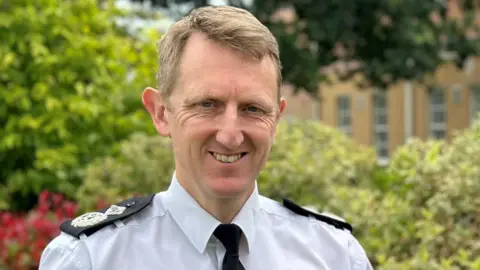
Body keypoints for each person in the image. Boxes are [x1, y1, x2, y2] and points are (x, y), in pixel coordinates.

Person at [39, 5, 373, 270]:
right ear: (160, 113)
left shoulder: (334, 255)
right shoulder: (90, 259)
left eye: (253, 108)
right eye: (207, 104)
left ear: (277, 118)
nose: (230, 135)